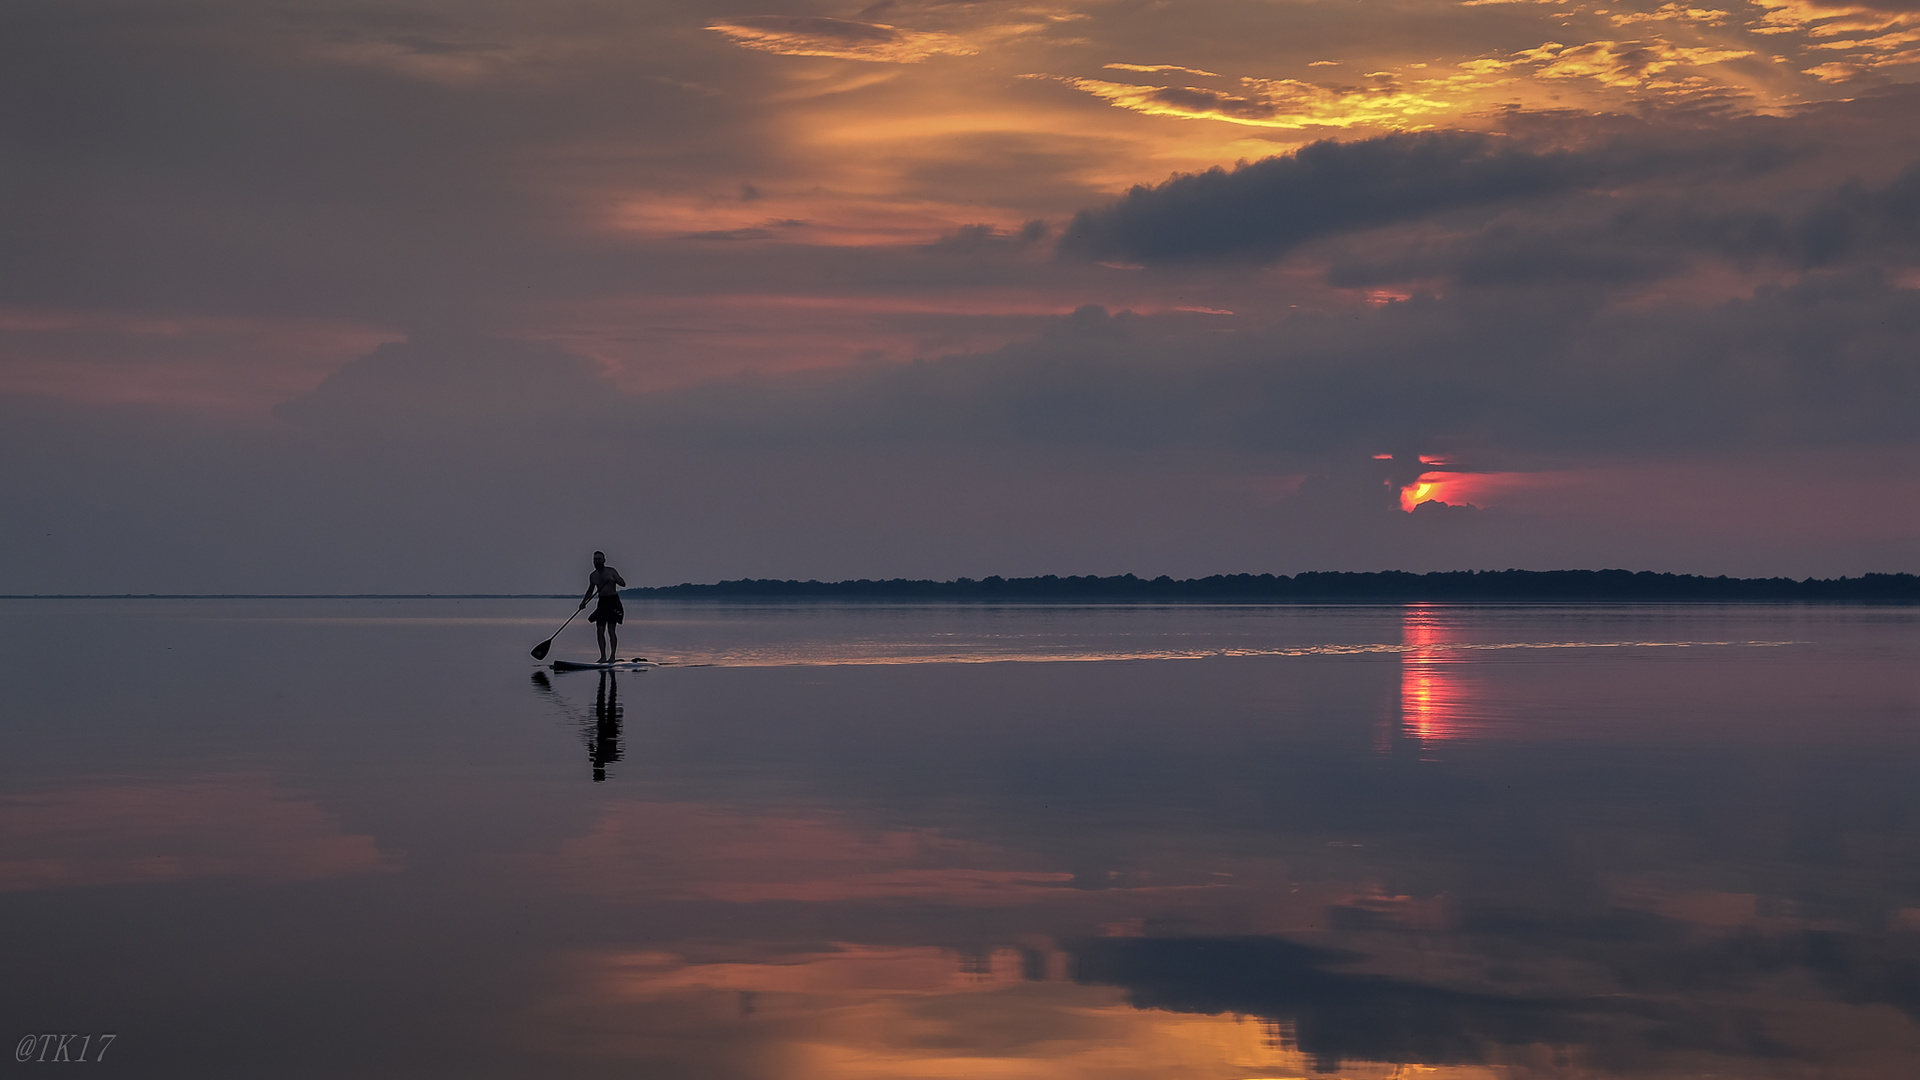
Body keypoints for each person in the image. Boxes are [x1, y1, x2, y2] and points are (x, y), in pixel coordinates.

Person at [579, 551, 627, 663]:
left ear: (604, 560)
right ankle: (602, 657)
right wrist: (583, 602)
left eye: (599, 559)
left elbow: (623, 583)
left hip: (613, 601)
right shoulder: (593, 576)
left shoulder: (611, 571)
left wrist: (614, 579)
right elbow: (590, 591)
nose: (597, 561)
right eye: (595, 559)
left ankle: (612, 657)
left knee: (611, 630)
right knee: (600, 630)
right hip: (602, 602)